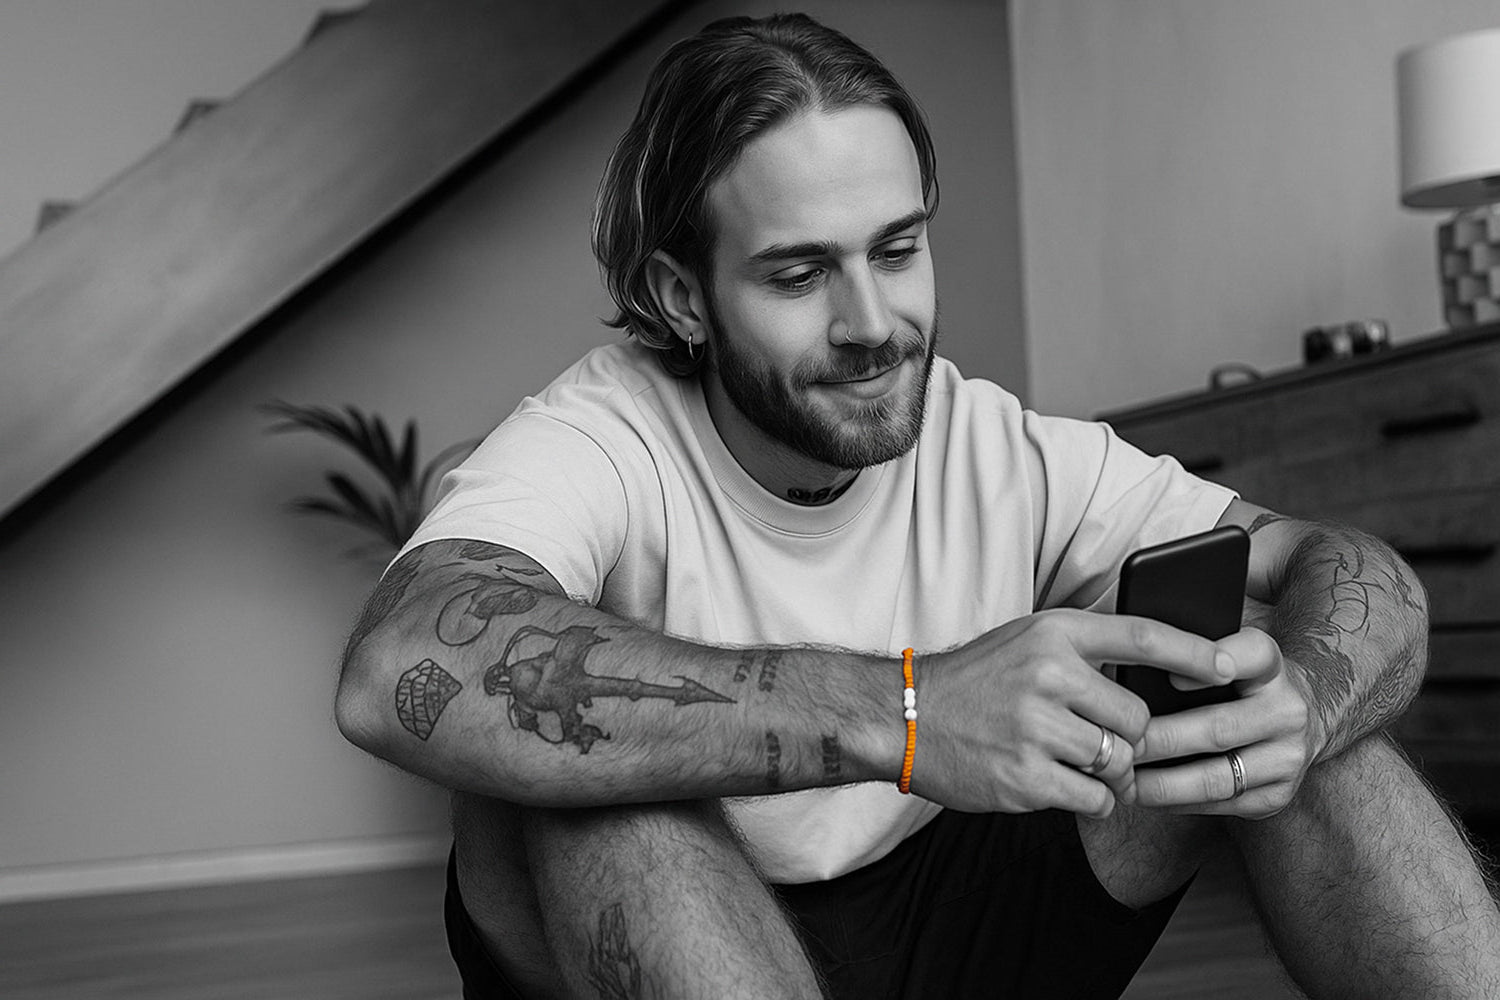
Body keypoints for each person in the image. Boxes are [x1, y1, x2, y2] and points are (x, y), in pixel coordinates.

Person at [334, 12, 1500, 998]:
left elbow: (1348, 567)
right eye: (800, 274)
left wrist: (1313, 699)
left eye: (897, 251)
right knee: (598, 779)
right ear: (681, 297)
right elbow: (397, 664)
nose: (872, 323)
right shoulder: (599, 437)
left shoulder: (994, 441)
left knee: (1277, 680)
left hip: (961, 915)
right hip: (682, 919)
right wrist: (907, 713)